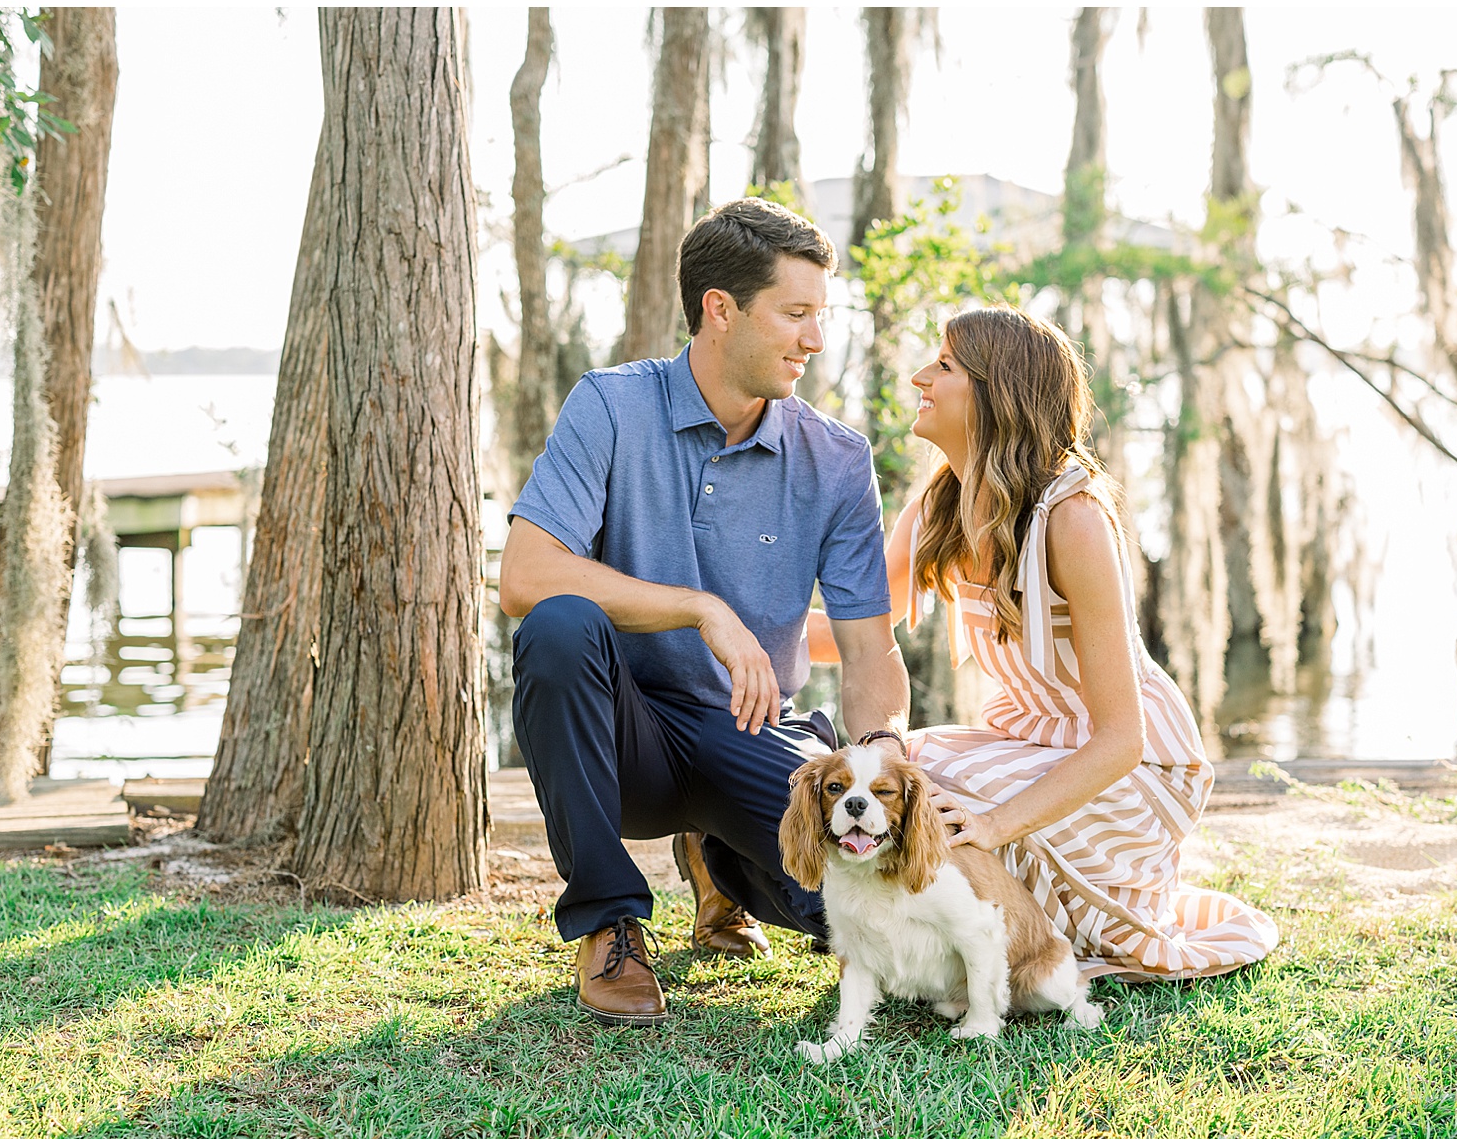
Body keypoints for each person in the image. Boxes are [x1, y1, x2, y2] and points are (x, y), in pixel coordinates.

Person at [498, 197, 910, 1027]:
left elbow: (870, 652)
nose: (814, 340)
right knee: (557, 625)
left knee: (865, 924)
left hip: (754, 728)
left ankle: (721, 861)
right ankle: (610, 920)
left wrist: (885, 769)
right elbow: (524, 575)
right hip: (626, 746)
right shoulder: (610, 407)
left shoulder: (836, 459)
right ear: (720, 310)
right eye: (795, 314)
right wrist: (699, 609)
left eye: (819, 316)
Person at [867, 305, 1278, 982]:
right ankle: (933, 936)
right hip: (1033, 740)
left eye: (942, 366)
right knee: (894, 766)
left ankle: (1004, 936)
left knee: (941, 792)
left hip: (1130, 769)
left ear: (996, 392)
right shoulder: (939, 503)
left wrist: (993, 824)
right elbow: (853, 635)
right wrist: (724, 634)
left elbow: (1122, 738)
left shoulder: (1073, 518)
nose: (919, 377)